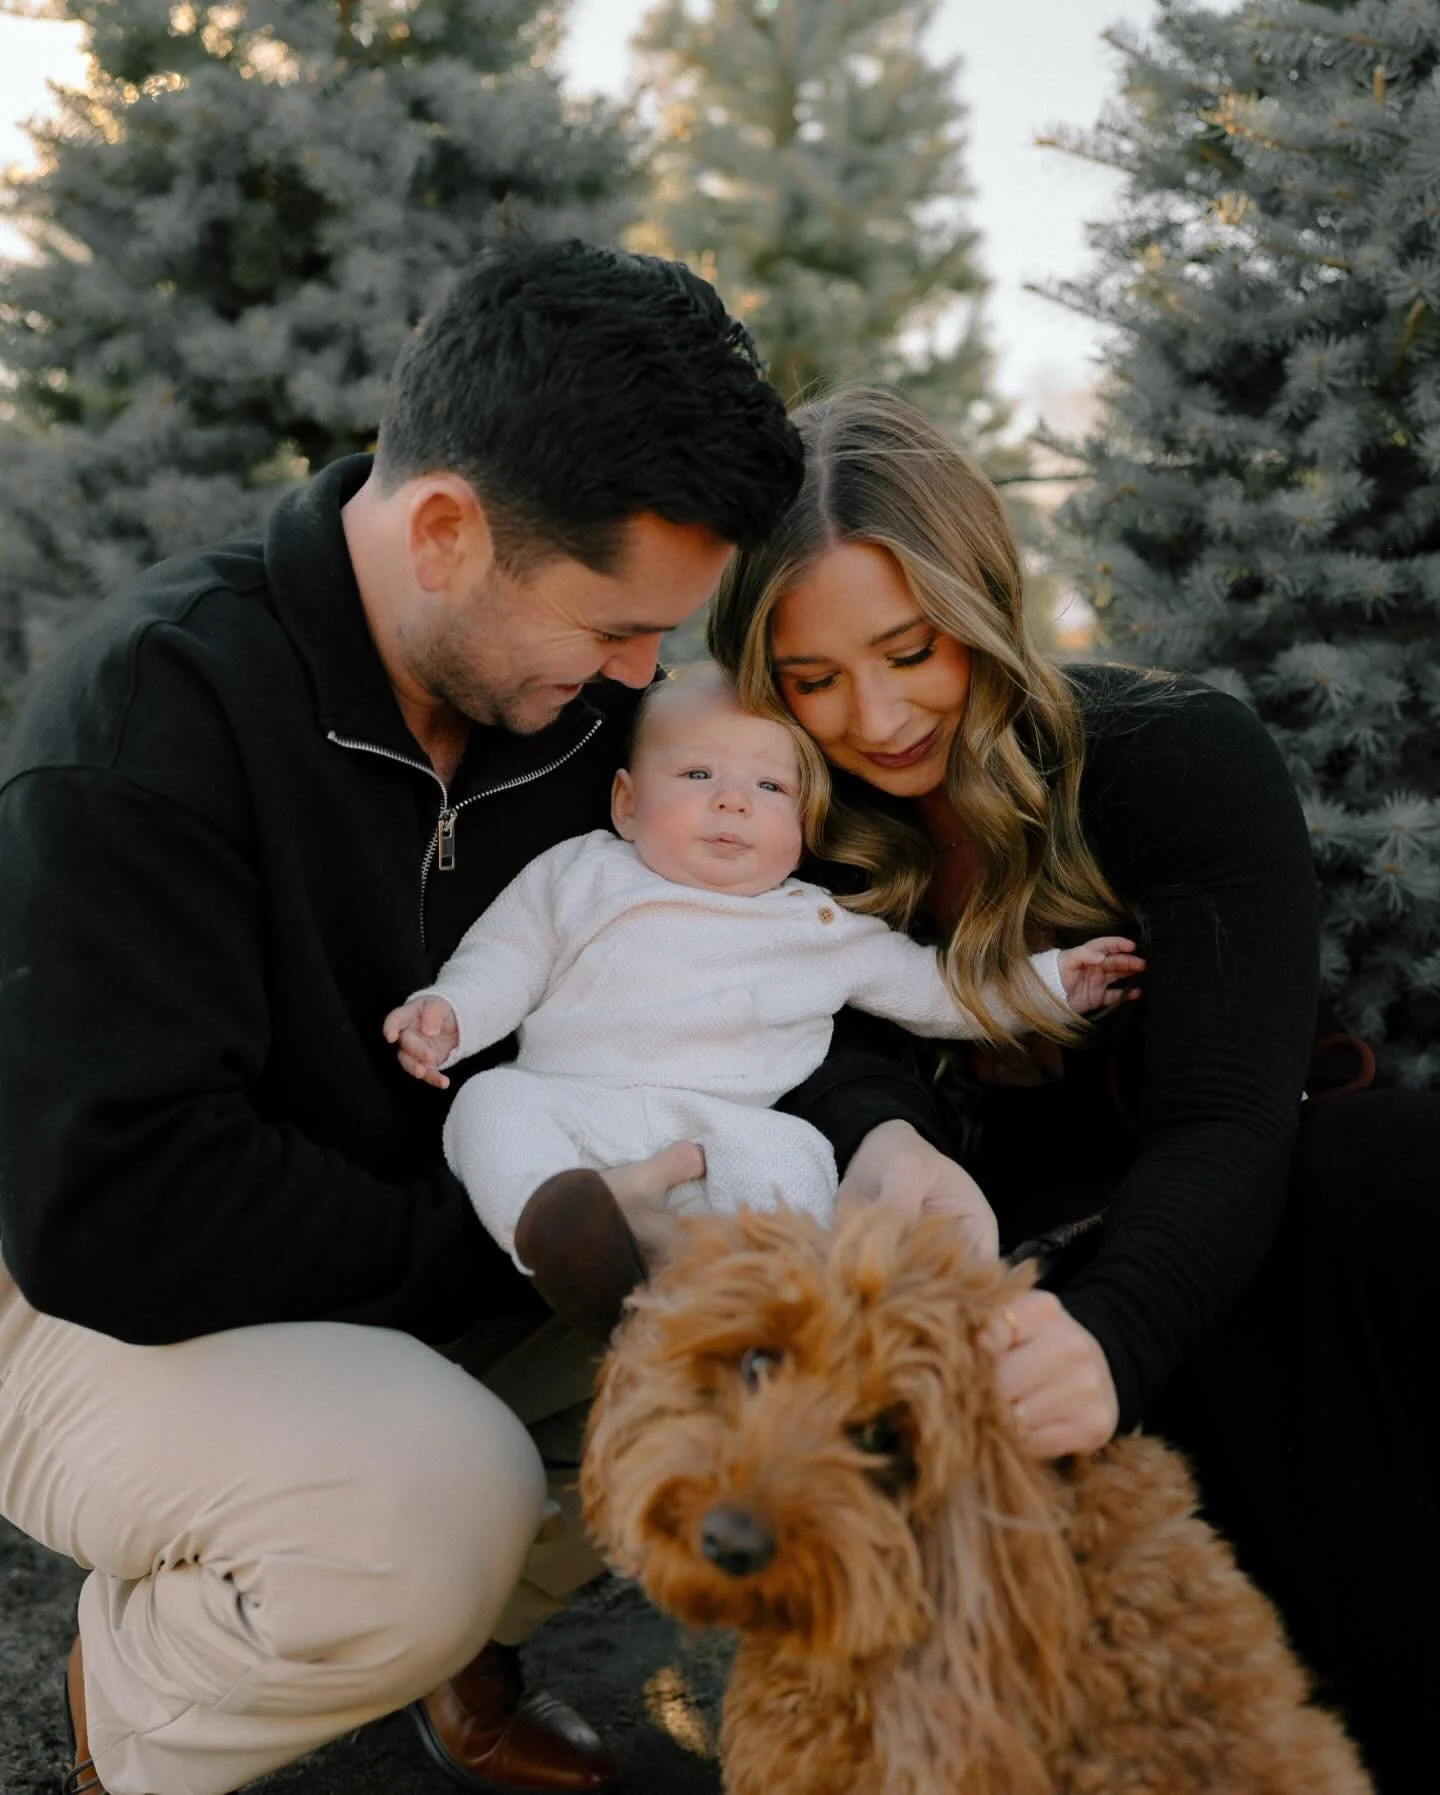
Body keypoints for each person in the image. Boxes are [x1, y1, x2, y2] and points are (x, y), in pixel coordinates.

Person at [0, 235, 824, 1795]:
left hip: (415, 1260)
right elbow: (113, 1208)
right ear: (448, 527)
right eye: (613, 625)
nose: (647, 673)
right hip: (86, 1306)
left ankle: (445, 1637)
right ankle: (128, 1709)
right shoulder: (147, 722)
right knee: (425, 1497)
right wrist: (537, 1232)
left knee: (782, 1313)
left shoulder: (585, 722)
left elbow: (751, 960)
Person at [706, 385, 1440, 1795]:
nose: (873, 715)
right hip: (995, 1232)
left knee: (1376, 1187)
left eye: (909, 651)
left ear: (980, 599)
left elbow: (1230, 1113)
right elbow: (796, 1042)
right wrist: (885, 1133)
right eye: (811, 678)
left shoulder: (1176, 756)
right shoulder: (768, 823)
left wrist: (1114, 1332)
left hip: (1226, 1195)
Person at [382, 664, 1143, 1334]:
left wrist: (1047, 984)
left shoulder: (820, 923)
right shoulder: (581, 873)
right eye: (698, 776)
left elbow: (938, 988)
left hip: (729, 1131)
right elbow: (505, 957)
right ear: (626, 801)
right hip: (575, 1110)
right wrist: (450, 1014)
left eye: (769, 786)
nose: (733, 803)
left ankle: (787, 1315)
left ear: (806, 821)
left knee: (800, 1156)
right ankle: (554, 1234)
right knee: (488, 1103)